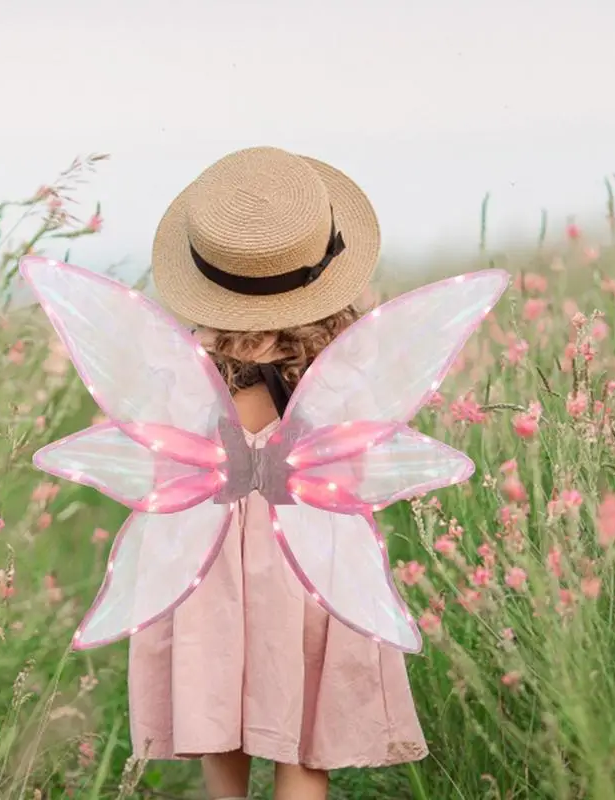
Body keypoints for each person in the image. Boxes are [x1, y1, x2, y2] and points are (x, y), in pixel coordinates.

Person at [128, 146, 427, 800]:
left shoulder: (185, 369)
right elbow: (361, 464)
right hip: (308, 553)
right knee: (301, 746)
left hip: (204, 559)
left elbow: (161, 466)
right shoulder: (340, 368)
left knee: (221, 726)